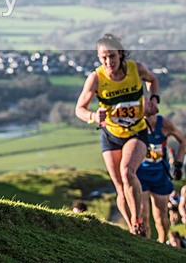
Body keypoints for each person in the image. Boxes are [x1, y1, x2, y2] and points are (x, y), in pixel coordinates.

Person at [75, 33, 160, 236]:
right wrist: (94, 116)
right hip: (110, 135)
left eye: (111, 56)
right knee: (120, 187)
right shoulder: (96, 78)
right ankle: (133, 230)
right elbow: (79, 109)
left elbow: (153, 80)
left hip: (136, 131)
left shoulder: (135, 69)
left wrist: (154, 99)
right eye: (103, 57)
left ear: (121, 54)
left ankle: (137, 219)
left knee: (127, 171)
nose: (108, 61)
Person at [137, 112, 185, 242]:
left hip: (160, 174)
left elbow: (183, 140)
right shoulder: (135, 122)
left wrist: (178, 164)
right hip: (141, 173)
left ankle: (162, 242)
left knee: (161, 215)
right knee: (143, 214)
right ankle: (145, 244)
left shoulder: (164, 124)